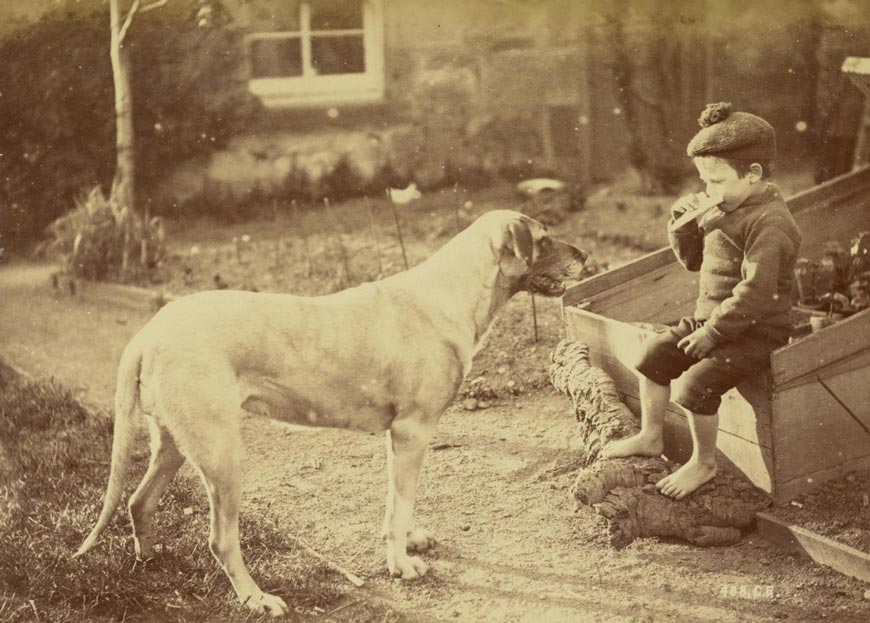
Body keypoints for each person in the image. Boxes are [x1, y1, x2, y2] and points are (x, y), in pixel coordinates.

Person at [601, 102, 802, 499]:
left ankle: (704, 463)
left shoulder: (771, 222)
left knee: (695, 386)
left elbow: (757, 293)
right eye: (703, 182)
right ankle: (651, 435)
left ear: (753, 174)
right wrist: (682, 227)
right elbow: (695, 262)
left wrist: (712, 334)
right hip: (714, 322)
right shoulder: (725, 206)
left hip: (757, 331)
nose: (708, 191)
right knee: (655, 353)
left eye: (716, 181)